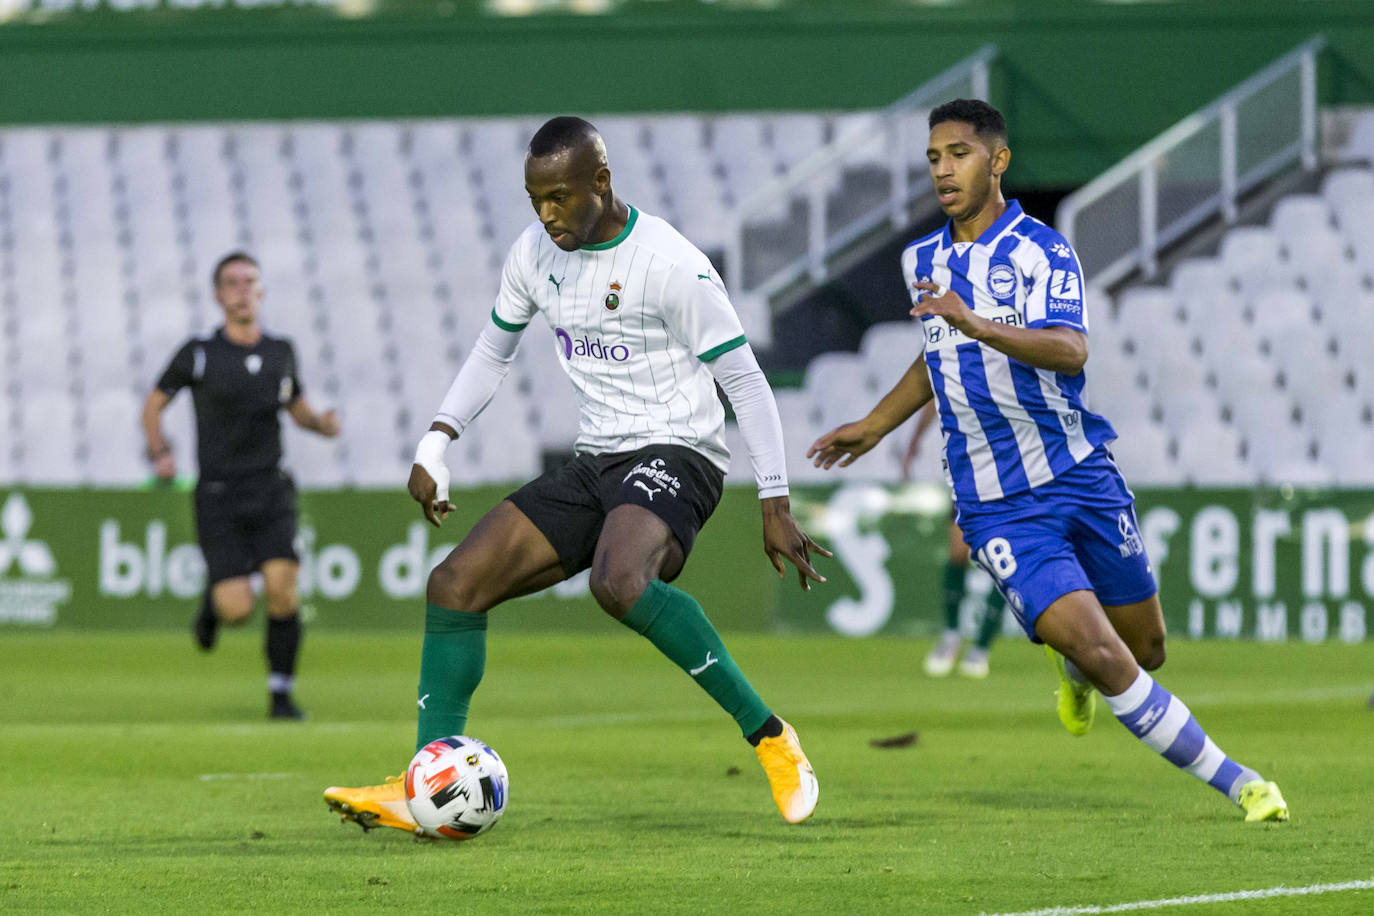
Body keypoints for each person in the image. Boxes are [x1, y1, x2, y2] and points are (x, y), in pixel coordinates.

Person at [324, 116, 829, 832]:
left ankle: (771, 736)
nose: (547, 214)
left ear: (601, 181)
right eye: (535, 199)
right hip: (598, 459)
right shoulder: (535, 254)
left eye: (560, 196)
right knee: (454, 585)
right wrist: (437, 439)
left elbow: (746, 384)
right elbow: (491, 352)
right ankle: (422, 783)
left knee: (619, 582)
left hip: (679, 453)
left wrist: (774, 501)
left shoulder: (670, 265)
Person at [808, 99, 1288, 822]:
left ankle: (1070, 667)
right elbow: (937, 351)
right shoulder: (922, 260)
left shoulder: (1043, 250)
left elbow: (1070, 349)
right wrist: (876, 424)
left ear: (997, 161)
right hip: (998, 504)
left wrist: (977, 320)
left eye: (959, 153)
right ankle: (1242, 783)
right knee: (1104, 649)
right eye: (934, 156)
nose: (943, 168)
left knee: (1147, 649)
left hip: (1079, 474)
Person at [142, 252, 341, 720]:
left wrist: (320, 424)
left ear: (261, 291)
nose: (241, 289)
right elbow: (153, 405)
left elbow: (296, 406)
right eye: (231, 283)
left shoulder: (280, 351)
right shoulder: (198, 353)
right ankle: (213, 606)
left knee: (283, 590)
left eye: (249, 280)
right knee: (236, 609)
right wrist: (160, 451)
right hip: (217, 494)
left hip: (270, 488)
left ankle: (280, 695)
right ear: (217, 295)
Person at [902, 402, 1005, 678]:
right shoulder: (958, 364)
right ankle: (951, 638)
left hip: (1010, 473)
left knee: (1003, 564)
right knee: (957, 553)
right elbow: (931, 391)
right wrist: (916, 438)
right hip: (969, 474)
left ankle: (980, 648)